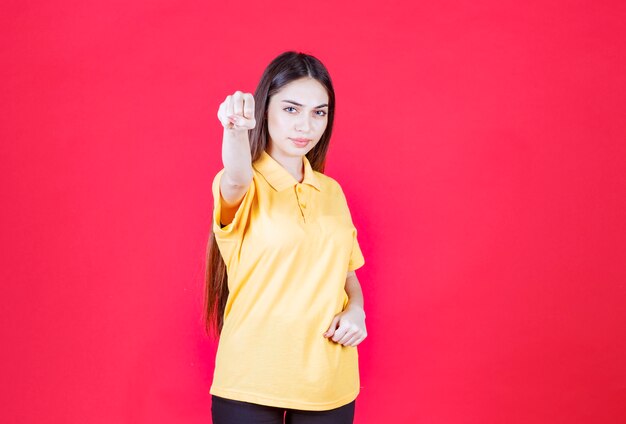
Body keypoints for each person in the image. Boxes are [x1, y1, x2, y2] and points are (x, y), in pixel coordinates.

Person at [204, 51, 367, 424]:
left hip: (328, 378)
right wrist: (234, 129)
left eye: (319, 112)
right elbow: (236, 175)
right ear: (265, 109)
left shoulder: (331, 192)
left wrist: (355, 310)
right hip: (251, 378)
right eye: (291, 109)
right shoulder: (243, 183)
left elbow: (346, 274)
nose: (305, 126)